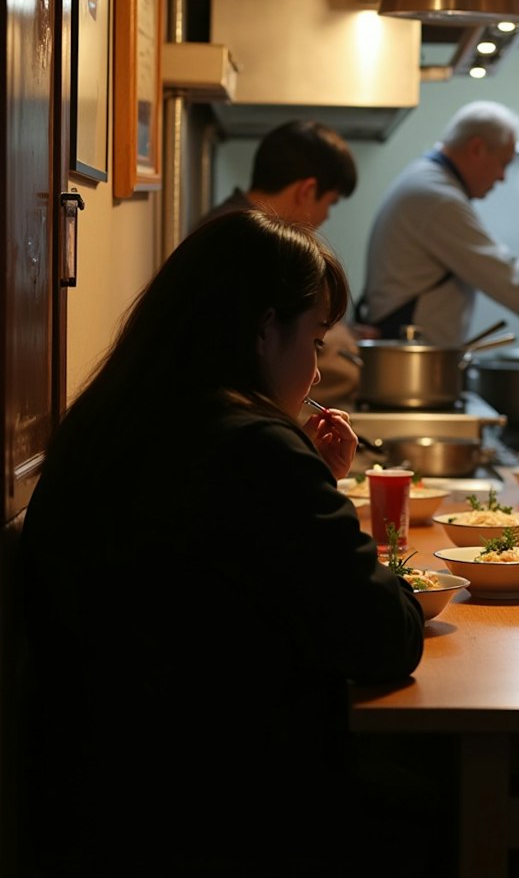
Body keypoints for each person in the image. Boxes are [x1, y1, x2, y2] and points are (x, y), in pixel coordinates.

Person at [17, 211, 425, 876]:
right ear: (266, 329)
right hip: (227, 810)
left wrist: (311, 486)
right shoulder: (252, 448)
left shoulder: (108, 422)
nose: (317, 373)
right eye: (316, 341)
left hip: (95, 795)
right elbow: (383, 636)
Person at [358, 100, 519, 346]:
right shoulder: (437, 197)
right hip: (411, 359)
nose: (502, 177)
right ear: (477, 148)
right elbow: (508, 278)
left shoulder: (424, 179)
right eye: (503, 163)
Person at [200, 118, 365, 404]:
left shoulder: (231, 225)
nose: (326, 216)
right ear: (307, 190)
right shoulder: (252, 241)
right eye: (330, 202)